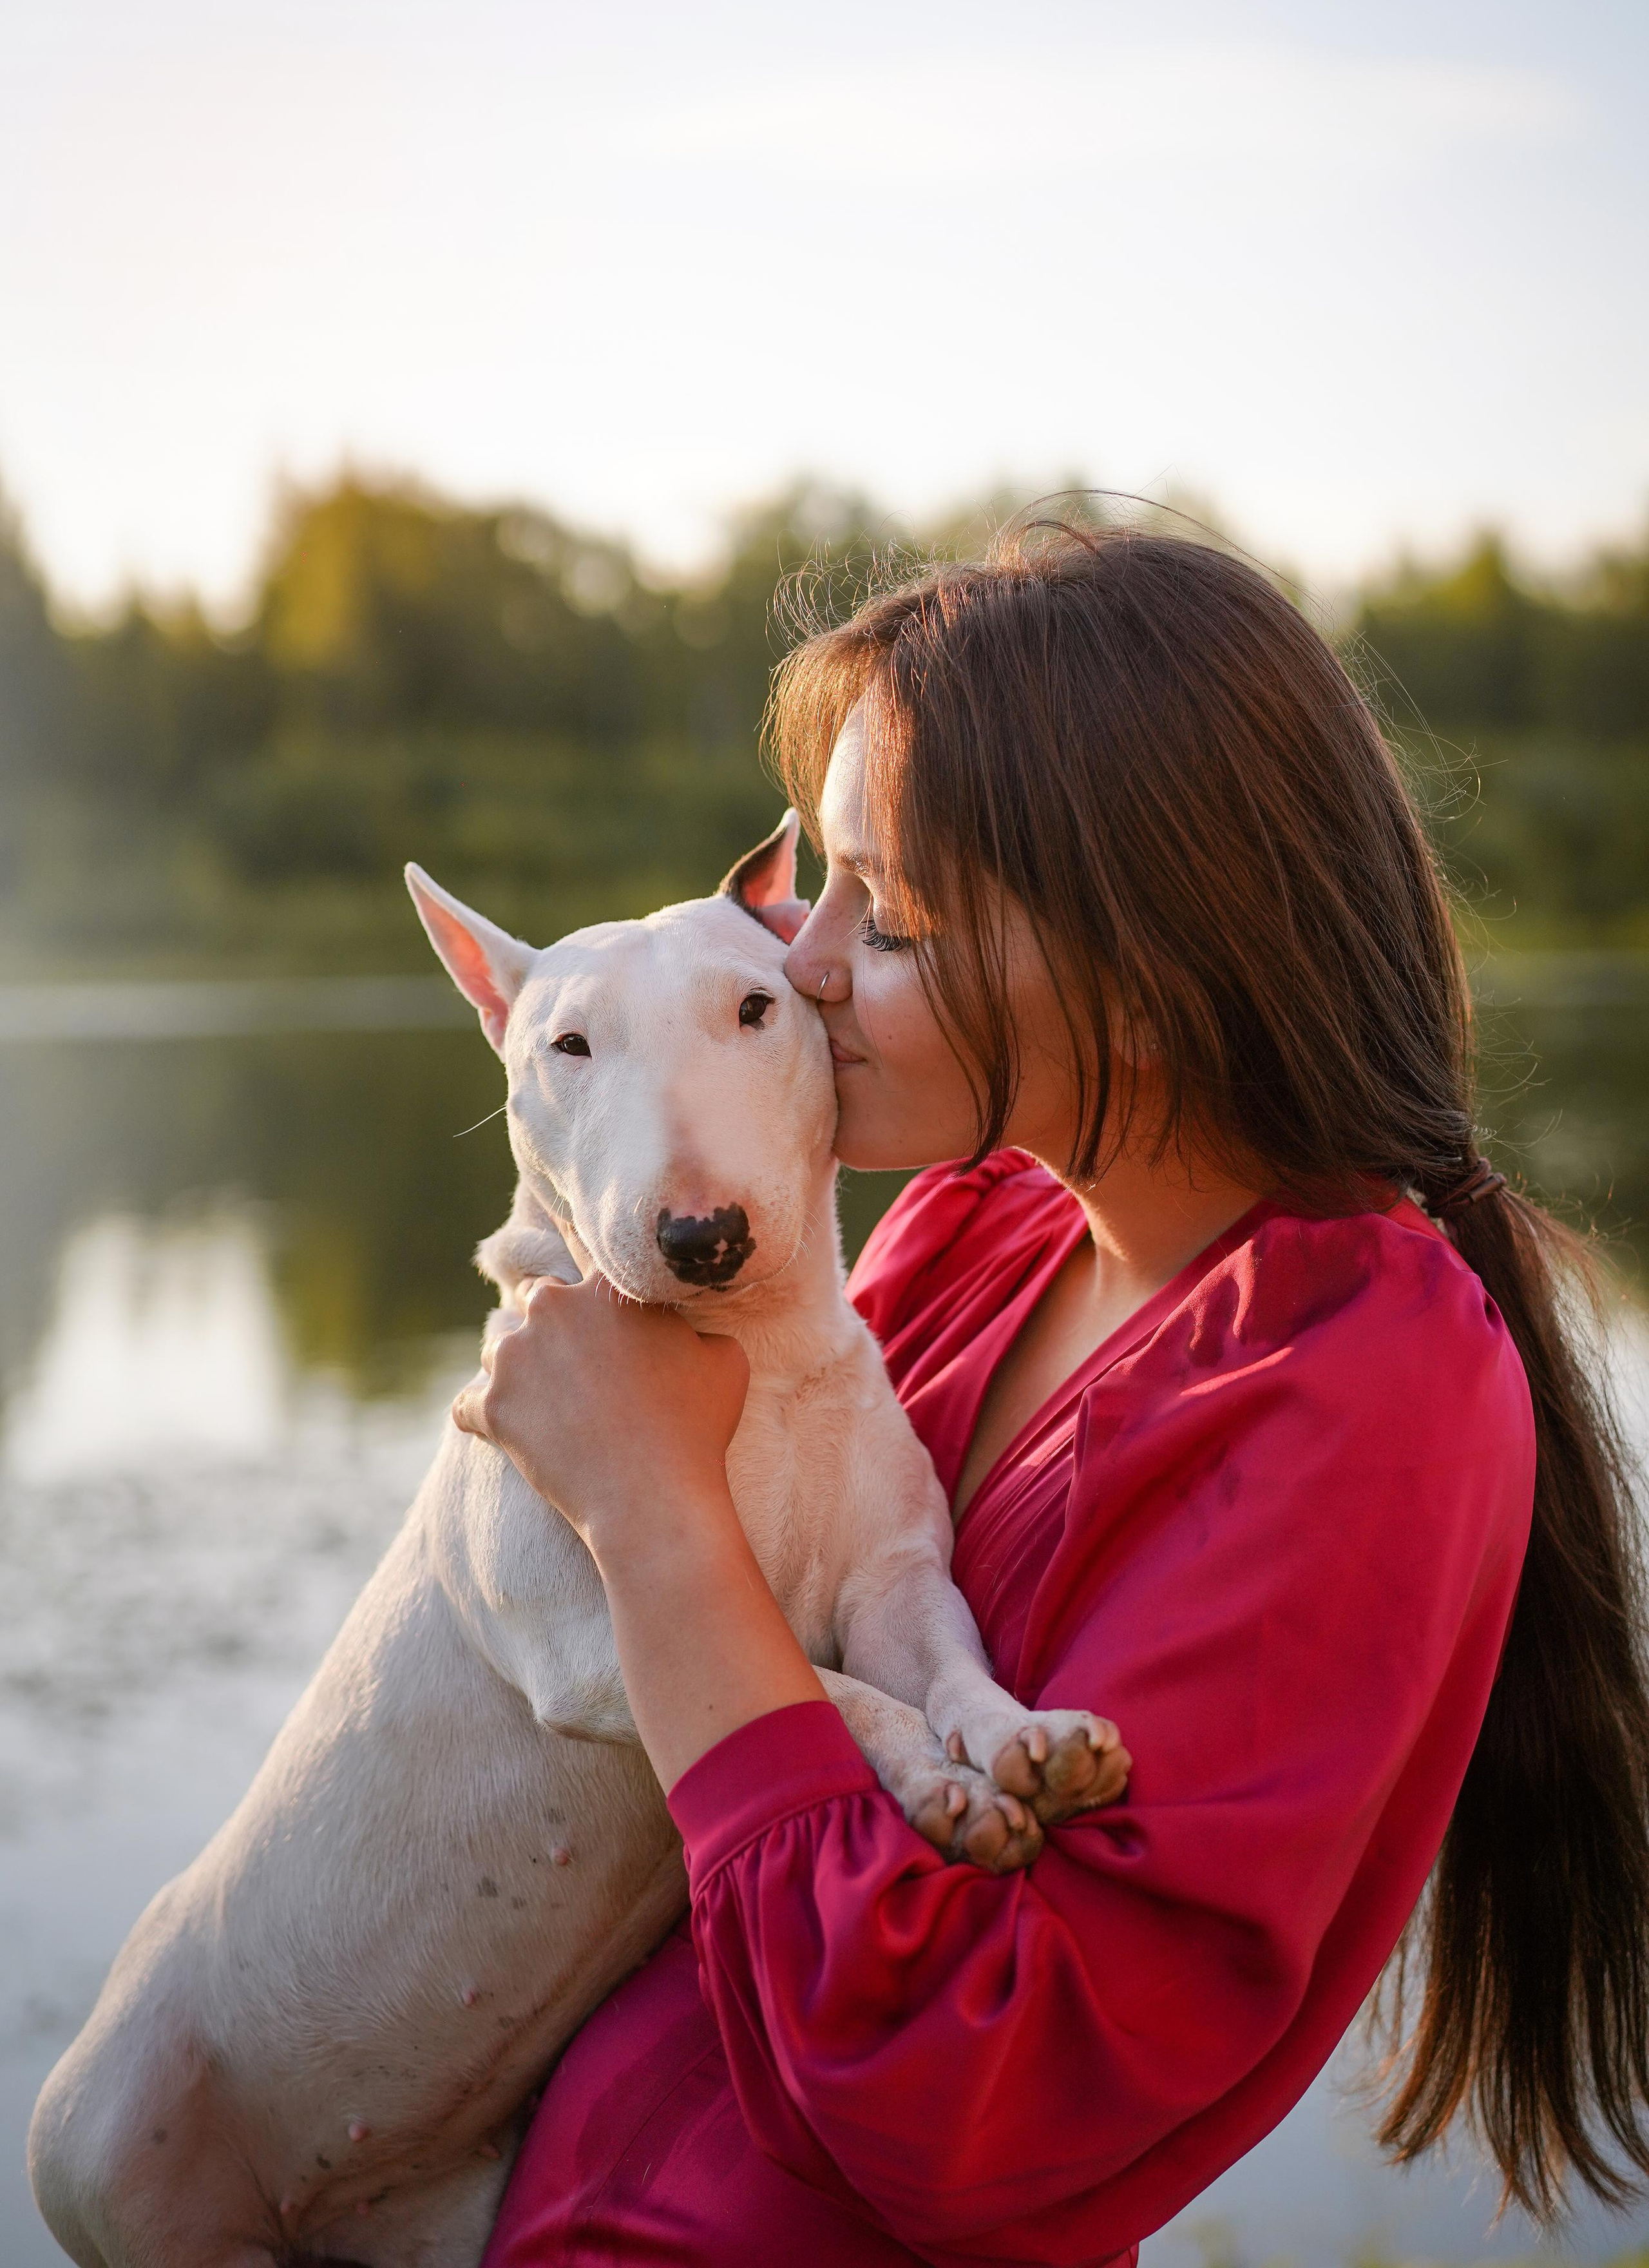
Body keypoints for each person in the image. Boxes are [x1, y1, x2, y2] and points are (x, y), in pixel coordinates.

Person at [468, 523, 1649, 2266]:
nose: (807, 963)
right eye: (828, 891)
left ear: (1156, 970)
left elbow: (972, 2090)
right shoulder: (975, 1225)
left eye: (897, 918)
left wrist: (648, 1515)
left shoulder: (1365, 1389)